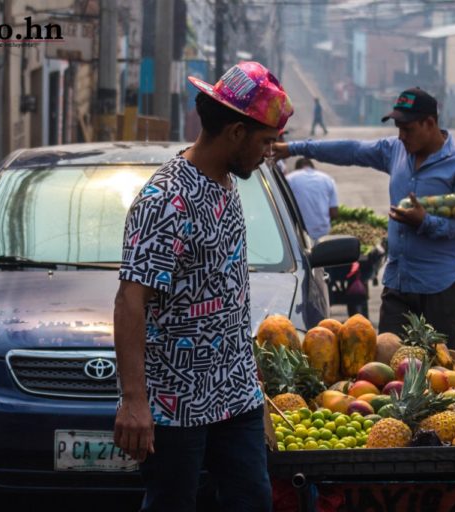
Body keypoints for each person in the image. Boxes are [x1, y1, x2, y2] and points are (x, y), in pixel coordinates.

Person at [112, 61, 292, 512]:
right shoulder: (166, 200)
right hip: (177, 404)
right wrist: (135, 401)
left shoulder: (227, 182)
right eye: (265, 141)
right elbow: (131, 300)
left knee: (253, 502)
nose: (269, 152)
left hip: (236, 394)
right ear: (235, 132)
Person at [271, 87, 455, 351]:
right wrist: (293, 149)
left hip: (441, 287)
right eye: (398, 128)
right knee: (387, 361)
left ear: (429, 123)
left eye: (407, 129)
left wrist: (426, 222)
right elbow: (350, 151)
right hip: (398, 284)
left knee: (439, 372)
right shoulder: (395, 151)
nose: (401, 136)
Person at [286, 157, 339, 241]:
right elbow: (334, 212)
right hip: (323, 233)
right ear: (313, 167)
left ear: (297, 168)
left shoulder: (289, 179)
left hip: (299, 234)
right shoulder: (327, 179)